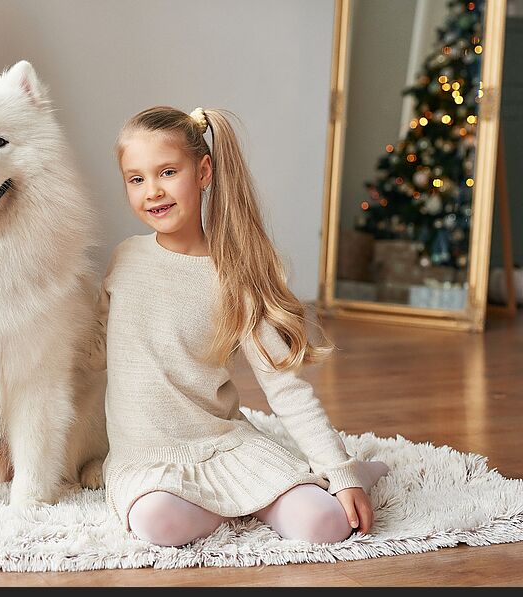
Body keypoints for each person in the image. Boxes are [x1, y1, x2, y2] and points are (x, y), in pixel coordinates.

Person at [89, 106, 389, 547]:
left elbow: (284, 388)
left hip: (222, 445)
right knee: (157, 522)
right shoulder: (125, 258)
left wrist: (340, 474)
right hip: (146, 460)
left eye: (168, 172)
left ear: (204, 171)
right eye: (136, 179)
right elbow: (92, 351)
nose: (152, 191)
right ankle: (232, 504)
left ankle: (354, 470)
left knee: (326, 525)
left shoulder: (235, 274)